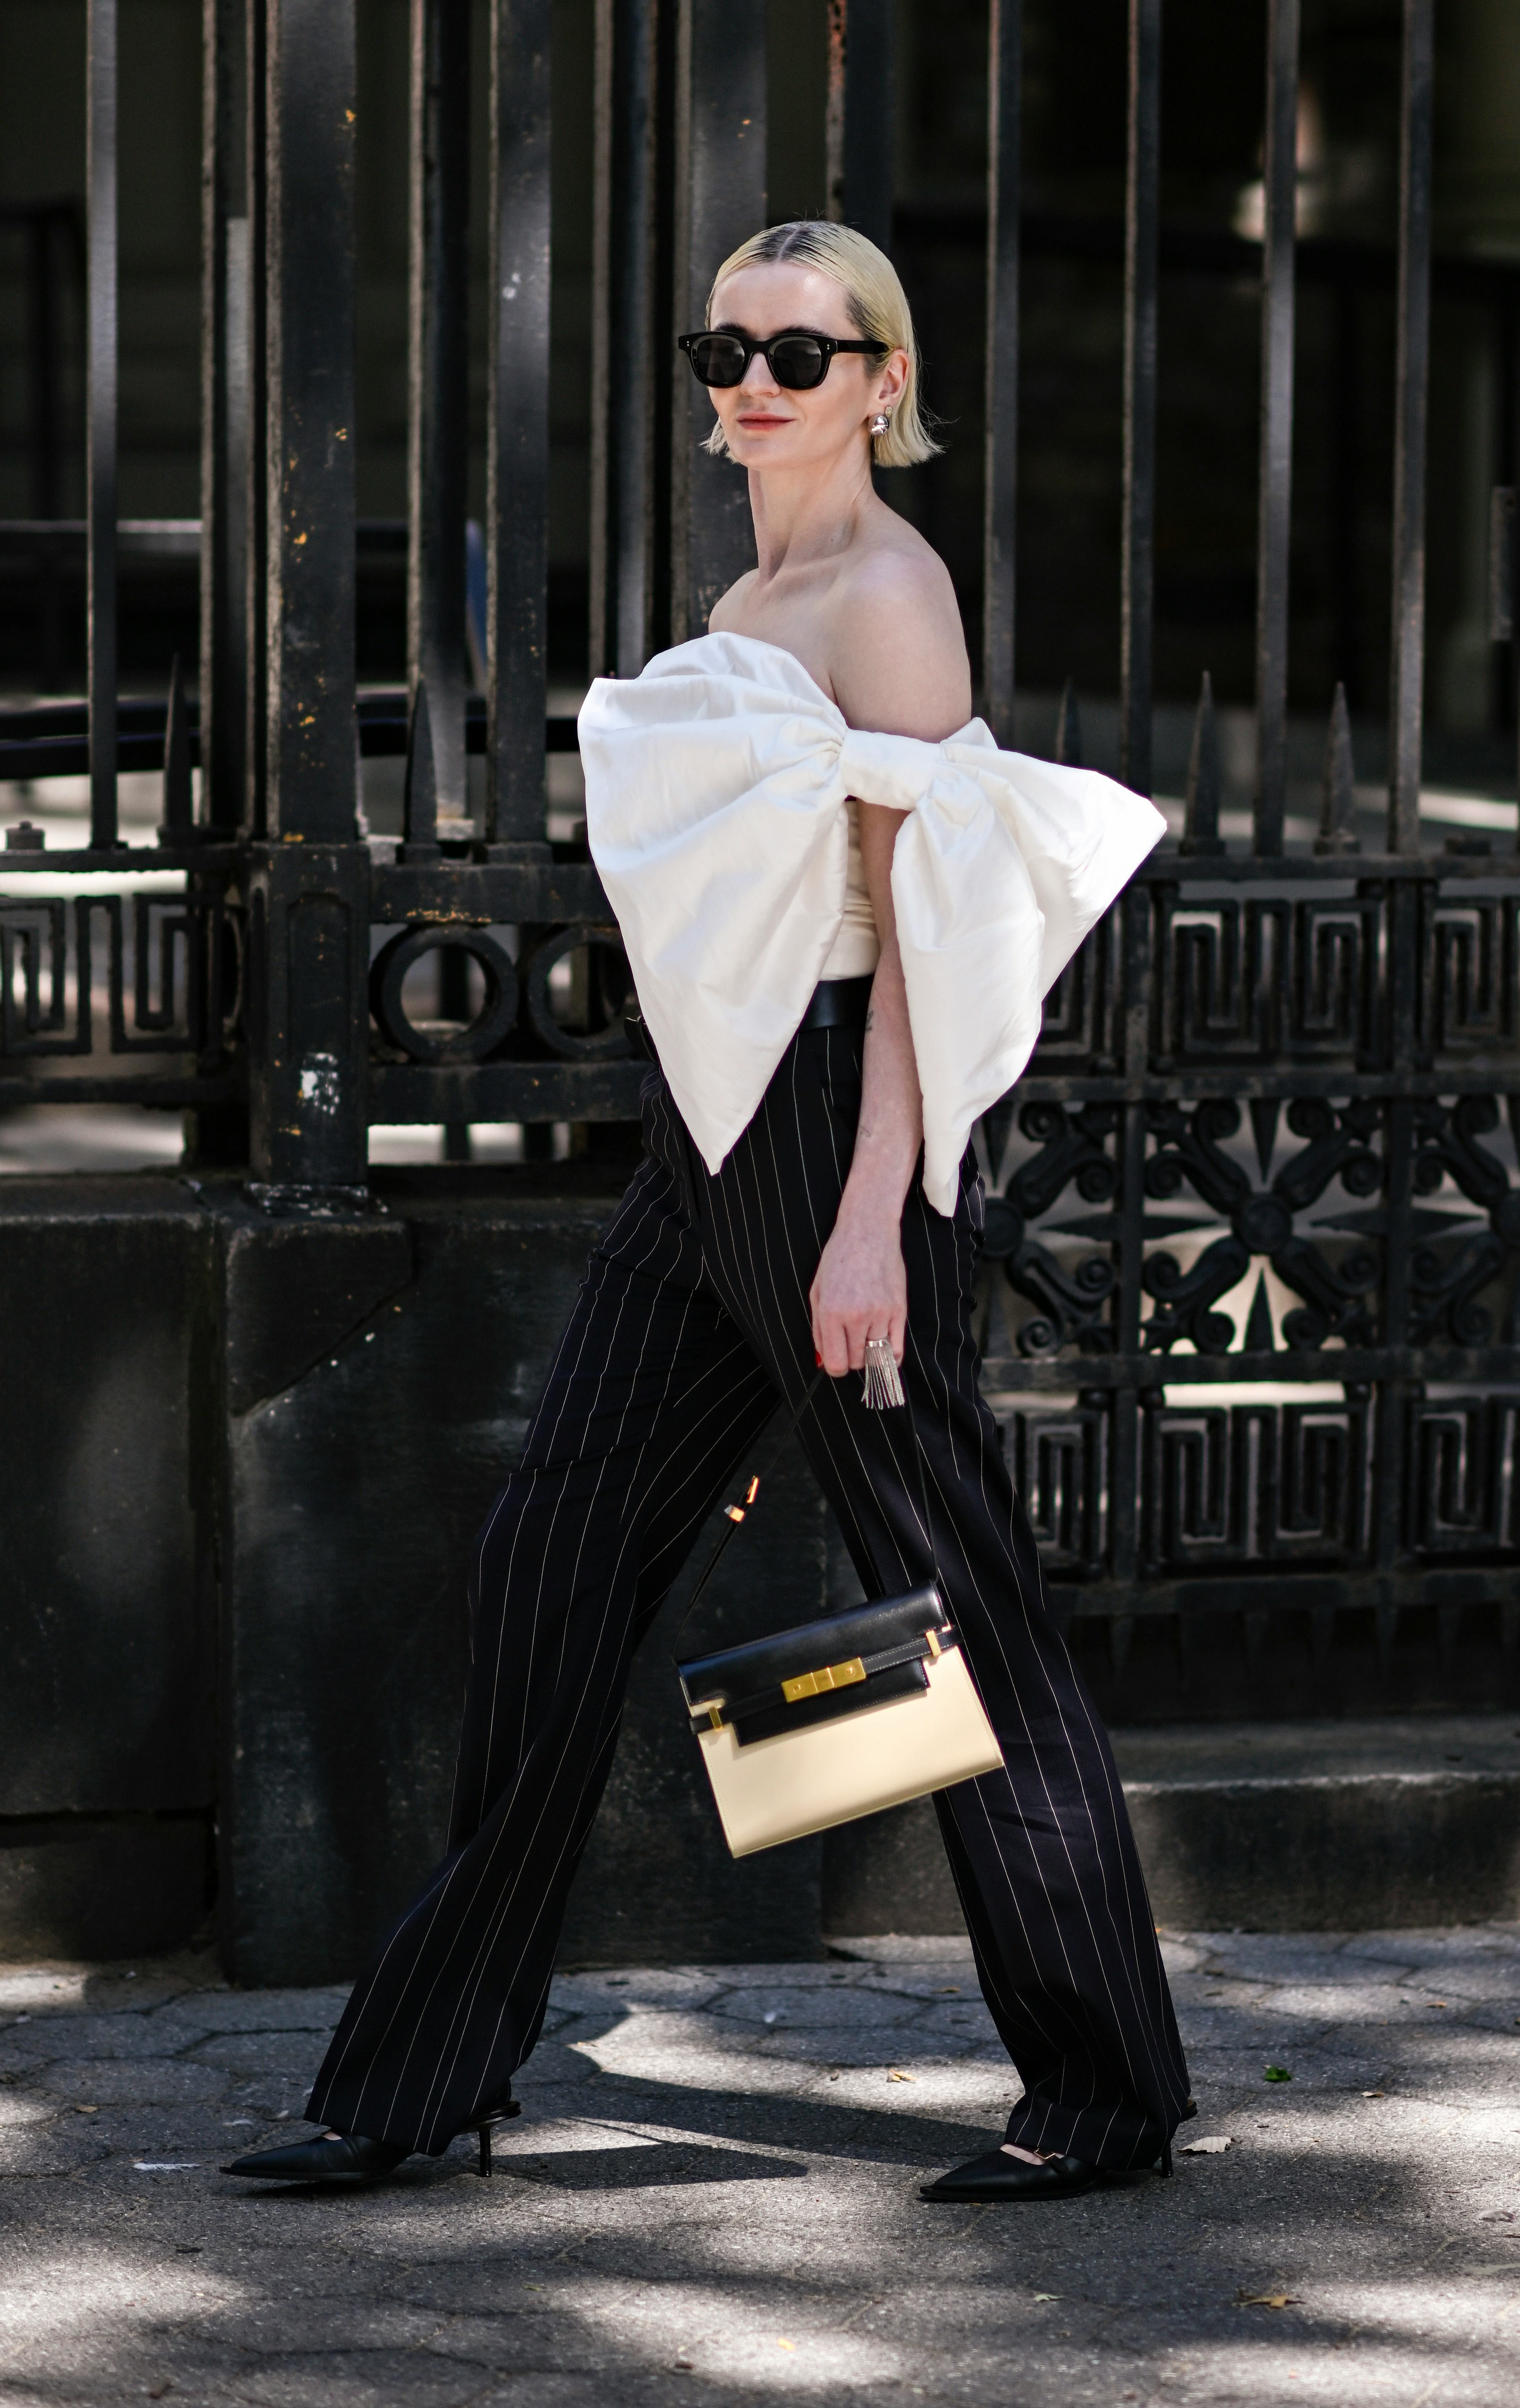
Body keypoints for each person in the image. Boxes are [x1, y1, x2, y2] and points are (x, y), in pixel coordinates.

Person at [226, 219, 1191, 2205]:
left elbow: (922, 930)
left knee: (957, 1602)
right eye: (725, 347)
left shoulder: (890, 595)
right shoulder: (758, 583)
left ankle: (1104, 2091)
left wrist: (867, 1220)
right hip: (710, 1142)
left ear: (884, 383)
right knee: (550, 1558)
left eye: (802, 353)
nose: (755, 381)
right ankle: (422, 2071)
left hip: (841, 1132)